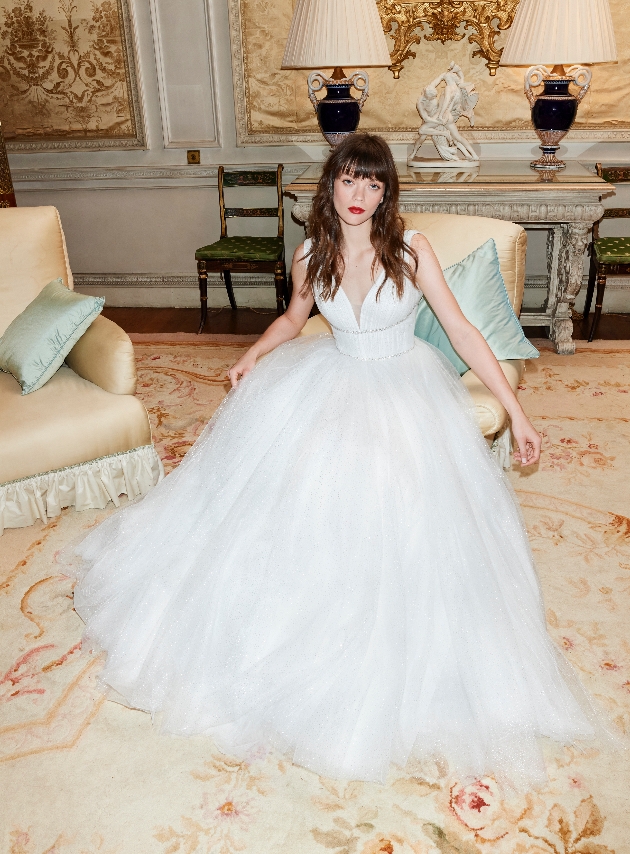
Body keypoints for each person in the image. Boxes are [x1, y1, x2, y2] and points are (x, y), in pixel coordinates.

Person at [65, 134, 600, 790]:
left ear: (387, 193)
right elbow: (293, 320)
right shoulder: (309, 254)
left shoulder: (411, 249)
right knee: (298, 497)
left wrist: (516, 411)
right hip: (332, 378)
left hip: (406, 388)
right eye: (350, 181)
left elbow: (461, 330)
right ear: (331, 186)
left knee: (407, 507)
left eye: (373, 185)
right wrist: (254, 354)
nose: (360, 196)